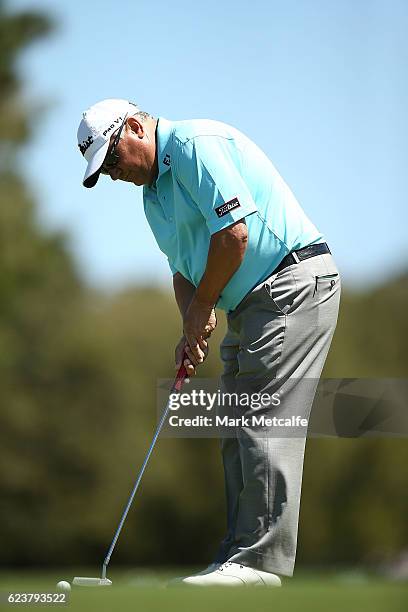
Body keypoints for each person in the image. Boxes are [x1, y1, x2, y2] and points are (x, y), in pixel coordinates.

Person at [77, 98, 341, 587]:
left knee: (263, 419)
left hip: (291, 282)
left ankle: (260, 565)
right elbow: (183, 269)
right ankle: (236, 558)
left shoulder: (195, 144)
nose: (112, 174)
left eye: (112, 160)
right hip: (250, 303)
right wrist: (189, 327)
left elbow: (233, 235)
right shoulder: (152, 196)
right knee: (234, 426)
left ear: (134, 127)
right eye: (103, 171)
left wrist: (203, 310)